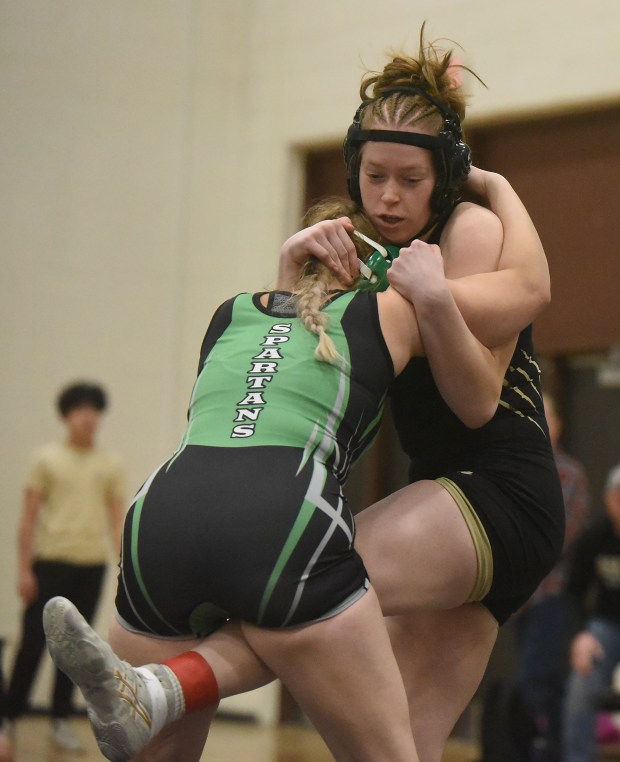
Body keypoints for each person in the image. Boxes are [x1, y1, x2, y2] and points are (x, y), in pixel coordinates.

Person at [46, 27, 564, 762]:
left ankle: (160, 690)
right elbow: (300, 357)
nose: (387, 198)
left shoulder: (470, 226)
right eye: (374, 176)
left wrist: (439, 295)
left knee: (306, 584)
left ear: (445, 178)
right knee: (396, 747)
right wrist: (291, 275)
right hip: (444, 494)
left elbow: (477, 401)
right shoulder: (361, 242)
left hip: (498, 491)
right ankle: (158, 690)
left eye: (410, 182)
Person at [43, 195, 510, 762]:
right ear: (365, 263)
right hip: (282, 512)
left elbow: (284, 330)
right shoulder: (388, 311)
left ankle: (144, 693)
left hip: (158, 522)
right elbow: (505, 334)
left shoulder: (229, 312)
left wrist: (290, 264)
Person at [6, 382, 126, 752]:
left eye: (93, 410)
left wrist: (125, 570)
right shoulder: (46, 459)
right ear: (66, 416)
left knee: (76, 648)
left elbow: (116, 520)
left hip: (91, 566)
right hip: (50, 563)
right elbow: (28, 519)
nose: (87, 417)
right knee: (32, 643)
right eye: (79, 410)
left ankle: (60, 719)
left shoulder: (110, 464)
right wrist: (25, 569)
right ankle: (8, 719)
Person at [511, 393, 590, 761]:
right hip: (518, 597)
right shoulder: (513, 468)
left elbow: (559, 537)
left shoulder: (569, 474)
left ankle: (545, 751)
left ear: (557, 425)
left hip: (552, 595)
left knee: (536, 681)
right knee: (547, 684)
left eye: (544, 417)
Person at [562, 464, 620, 762]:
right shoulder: (594, 537)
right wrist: (580, 635)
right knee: (581, 686)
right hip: (606, 625)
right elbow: (573, 593)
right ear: (610, 500)